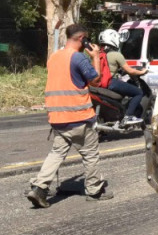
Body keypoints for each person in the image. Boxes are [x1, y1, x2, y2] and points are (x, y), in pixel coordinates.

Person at [26, 24, 113, 208]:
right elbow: (96, 80)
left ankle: (40, 188)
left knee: (56, 154)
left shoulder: (54, 57)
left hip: (58, 118)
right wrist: (96, 57)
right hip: (79, 117)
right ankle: (94, 191)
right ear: (82, 39)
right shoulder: (79, 58)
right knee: (90, 154)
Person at [95, 28, 148, 125]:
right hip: (111, 83)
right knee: (138, 93)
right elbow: (130, 70)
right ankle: (128, 117)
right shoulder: (116, 55)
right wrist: (142, 72)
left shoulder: (97, 54)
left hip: (99, 83)